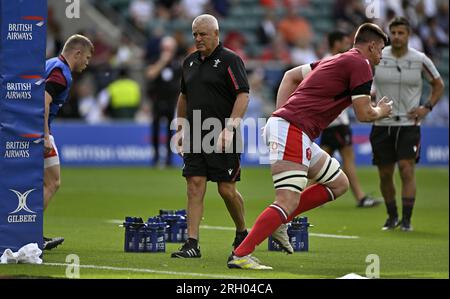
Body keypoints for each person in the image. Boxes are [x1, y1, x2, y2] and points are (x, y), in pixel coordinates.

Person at [227, 23, 392, 270]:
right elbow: (364, 114)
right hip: (292, 129)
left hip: (295, 129)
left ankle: (280, 223)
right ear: (371, 45)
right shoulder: (361, 65)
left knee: (339, 183)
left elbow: (289, 76)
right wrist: (382, 110)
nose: (381, 55)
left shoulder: (335, 60)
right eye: (380, 49)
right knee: (286, 199)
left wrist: (279, 114)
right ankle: (241, 254)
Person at [171, 14, 250, 258]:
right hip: (195, 134)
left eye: (203, 34)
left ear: (216, 34)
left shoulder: (230, 60)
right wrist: (181, 129)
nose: (198, 38)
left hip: (222, 133)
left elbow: (243, 95)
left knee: (226, 190)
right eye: (195, 34)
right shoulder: (189, 62)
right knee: (194, 186)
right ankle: (192, 243)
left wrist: (230, 128)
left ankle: (242, 232)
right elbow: (184, 97)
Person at [371, 17, 444, 232]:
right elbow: (362, 80)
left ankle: (407, 220)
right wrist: (368, 101)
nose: (396, 37)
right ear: (388, 35)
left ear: (408, 35)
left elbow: (438, 84)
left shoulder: (420, 59)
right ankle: (392, 216)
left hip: (409, 123)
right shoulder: (378, 56)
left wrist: (427, 107)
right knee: (385, 173)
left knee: (406, 169)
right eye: (393, 33)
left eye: (401, 33)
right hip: (382, 123)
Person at [320, 31, 382, 208]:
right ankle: (360, 197)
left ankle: (305, 196)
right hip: (337, 121)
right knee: (347, 159)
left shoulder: (329, 60)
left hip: (331, 121)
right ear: (336, 43)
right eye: (344, 42)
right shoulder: (335, 61)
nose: (348, 45)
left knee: (323, 162)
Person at [43, 34, 94, 250]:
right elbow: (44, 101)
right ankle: (28, 232)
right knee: (52, 183)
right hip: (37, 133)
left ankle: (29, 230)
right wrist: (45, 135)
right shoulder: (61, 72)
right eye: (88, 57)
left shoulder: (51, 64)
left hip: (32, 130)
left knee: (46, 182)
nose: (87, 63)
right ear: (77, 53)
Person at [146, 36, 182, 167]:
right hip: (157, 100)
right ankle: (155, 157)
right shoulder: (155, 60)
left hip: (171, 101)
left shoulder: (177, 63)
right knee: (155, 128)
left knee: (169, 130)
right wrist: (162, 61)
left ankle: (168, 159)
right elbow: (150, 74)